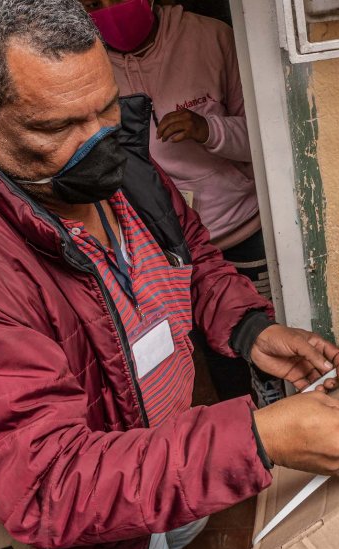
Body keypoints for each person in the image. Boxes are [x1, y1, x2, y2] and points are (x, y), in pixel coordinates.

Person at [0, 1, 339, 549]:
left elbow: (193, 256)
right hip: (108, 525)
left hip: (176, 453)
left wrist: (249, 327)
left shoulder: (114, 155)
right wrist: (257, 439)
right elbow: (50, 486)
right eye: (57, 127)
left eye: (104, 107)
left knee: (177, 539)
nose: (98, 141)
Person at [83, 0, 270, 403]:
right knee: (216, 352)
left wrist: (208, 129)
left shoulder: (212, 38)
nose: (108, 9)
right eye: (92, 3)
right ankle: (244, 417)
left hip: (239, 229)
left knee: (262, 338)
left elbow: (263, 135)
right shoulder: (85, 62)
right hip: (161, 246)